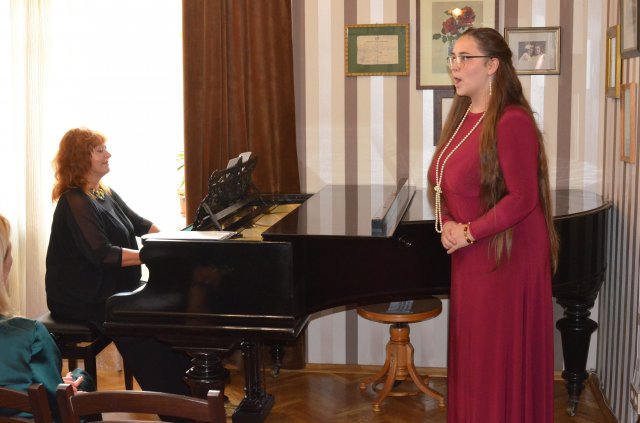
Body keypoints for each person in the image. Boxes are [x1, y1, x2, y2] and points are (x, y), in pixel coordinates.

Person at [429, 28, 559, 422]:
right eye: (453, 57)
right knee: (475, 359)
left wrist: (468, 232)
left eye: (464, 57)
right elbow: (441, 183)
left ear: (492, 66)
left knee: (493, 360)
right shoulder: (462, 116)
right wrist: (448, 222)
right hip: (471, 255)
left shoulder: (512, 120)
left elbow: (523, 198)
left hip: (506, 258)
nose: (455, 66)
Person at [45, 127, 191, 397]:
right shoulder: (74, 200)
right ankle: (175, 401)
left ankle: (192, 390)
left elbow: (140, 224)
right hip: (81, 295)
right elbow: (103, 254)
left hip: (110, 287)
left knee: (166, 311)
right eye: (100, 150)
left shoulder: (103, 193)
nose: (108, 154)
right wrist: (155, 255)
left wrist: (172, 242)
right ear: (81, 158)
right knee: (138, 324)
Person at [0, 214, 93, 421]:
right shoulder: (30, 335)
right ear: (4, 266)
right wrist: (67, 390)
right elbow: (55, 408)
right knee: (82, 379)